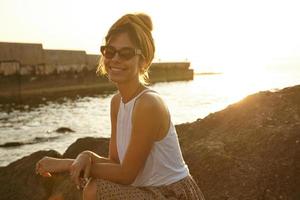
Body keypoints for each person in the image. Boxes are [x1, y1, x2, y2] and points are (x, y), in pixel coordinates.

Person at [36, 13, 205, 200]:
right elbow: (116, 163)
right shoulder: (117, 102)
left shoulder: (148, 104)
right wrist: (86, 155)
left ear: (143, 61)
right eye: (109, 51)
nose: (115, 59)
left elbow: (126, 174)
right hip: (148, 190)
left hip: (172, 193)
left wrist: (67, 164)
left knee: (95, 189)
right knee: (95, 186)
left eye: (126, 53)